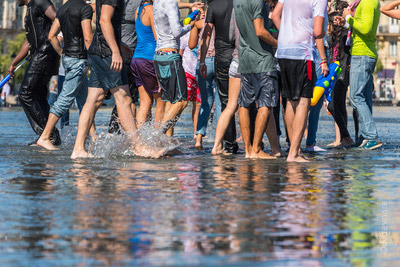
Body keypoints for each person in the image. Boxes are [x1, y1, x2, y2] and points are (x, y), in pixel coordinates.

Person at [71, 0, 141, 158]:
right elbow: (103, 20)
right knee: (124, 99)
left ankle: (78, 149)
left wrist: (119, 45)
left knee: (94, 99)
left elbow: (102, 20)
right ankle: (138, 146)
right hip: (107, 53)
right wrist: (116, 50)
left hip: (99, 50)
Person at [272, 0, 327, 162]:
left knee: (289, 101)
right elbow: (317, 32)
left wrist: (287, 33)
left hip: (283, 50)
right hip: (302, 53)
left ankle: (293, 149)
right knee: (303, 102)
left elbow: (275, 15)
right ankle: (294, 153)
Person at [36, 0, 94, 151]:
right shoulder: (85, 9)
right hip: (79, 60)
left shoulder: (62, 9)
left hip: (68, 59)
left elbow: (51, 36)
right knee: (64, 100)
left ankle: (93, 137)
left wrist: (62, 53)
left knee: (87, 101)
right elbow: (88, 38)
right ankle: (45, 136)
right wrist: (95, 61)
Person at [8, 0, 60, 145]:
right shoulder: (31, 7)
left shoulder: (40, 1)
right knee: (39, 96)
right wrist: (14, 63)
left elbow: (58, 18)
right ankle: (52, 136)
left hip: (45, 53)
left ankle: (47, 135)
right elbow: (28, 42)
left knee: (25, 93)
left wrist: (57, 39)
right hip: (41, 54)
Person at [233, 0, 278, 159]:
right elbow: (259, 31)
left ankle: (248, 150)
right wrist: (278, 44)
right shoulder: (257, 2)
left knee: (244, 103)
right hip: (262, 60)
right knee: (265, 103)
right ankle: (257, 149)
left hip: (245, 58)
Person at [334, 0, 381, 149]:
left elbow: (365, 28)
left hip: (362, 55)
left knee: (355, 97)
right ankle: (363, 137)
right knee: (364, 98)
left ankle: (371, 136)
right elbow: (358, 27)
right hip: (363, 54)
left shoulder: (367, 2)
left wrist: (348, 17)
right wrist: (346, 22)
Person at [152, 0, 198, 136]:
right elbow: (177, 32)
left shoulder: (158, 2)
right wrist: (191, 26)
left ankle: (166, 142)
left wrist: (190, 7)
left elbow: (170, 22)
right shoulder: (170, 3)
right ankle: (156, 136)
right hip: (170, 56)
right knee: (181, 101)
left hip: (159, 56)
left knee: (170, 101)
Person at [199, 0, 239, 154]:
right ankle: (253, 145)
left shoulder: (214, 5)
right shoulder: (239, 4)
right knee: (244, 103)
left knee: (225, 102)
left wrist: (202, 61)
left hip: (221, 57)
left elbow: (206, 35)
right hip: (239, 54)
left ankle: (229, 145)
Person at [131, 0, 165, 128]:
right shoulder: (152, 10)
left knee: (145, 102)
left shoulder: (139, 10)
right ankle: (157, 139)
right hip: (150, 59)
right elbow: (158, 38)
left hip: (137, 59)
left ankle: (139, 139)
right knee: (161, 101)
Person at [108, 0, 141, 134]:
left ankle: (114, 131)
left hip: (117, 54)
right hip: (129, 55)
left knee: (120, 97)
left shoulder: (118, 5)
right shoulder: (137, 3)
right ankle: (126, 134)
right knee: (129, 100)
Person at [189, 12, 220, 150]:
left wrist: (194, 23)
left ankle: (199, 138)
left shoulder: (199, 23)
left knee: (205, 103)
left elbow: (191, 45)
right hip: (220, 61)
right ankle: (219, 142)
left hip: (203, 63)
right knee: (220, 104)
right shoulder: (223, 16)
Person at [326, 4, 354, 148]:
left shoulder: (344, 35)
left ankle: (346, 137)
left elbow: (349, 33)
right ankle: (344, 138)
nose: (334, 24)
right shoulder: (331, 37)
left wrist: (342, 21)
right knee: (339, 106)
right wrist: (329, 15)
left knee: (333, 105)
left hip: (343, 73)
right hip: (332, 74)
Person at [180, 31, 201, 138]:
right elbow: (180, 53)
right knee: (182, 103)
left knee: (198, 104)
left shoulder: (205, 33)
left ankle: (196, 132)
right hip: (187, 72)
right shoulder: (186, 34)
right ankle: (170, 127)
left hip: (200, 73)